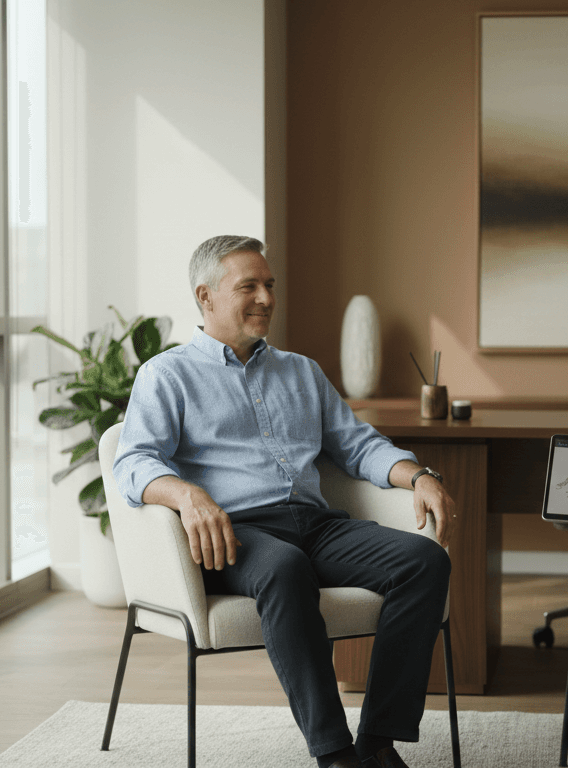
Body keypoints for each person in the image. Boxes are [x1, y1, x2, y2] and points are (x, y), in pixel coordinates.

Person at [113, 235, 456, 768]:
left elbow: (357, 445)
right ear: (205, 297)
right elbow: (133, 463)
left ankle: (378, 742)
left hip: (317, 525)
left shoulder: (301, 372)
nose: (266, 298)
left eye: (269, 285)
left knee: (425, 560)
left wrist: (419, 476)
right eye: (248, 286)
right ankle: (334, 753)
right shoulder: (167, 375)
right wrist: (187, 495)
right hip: (236, 534)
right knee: (285, 568)